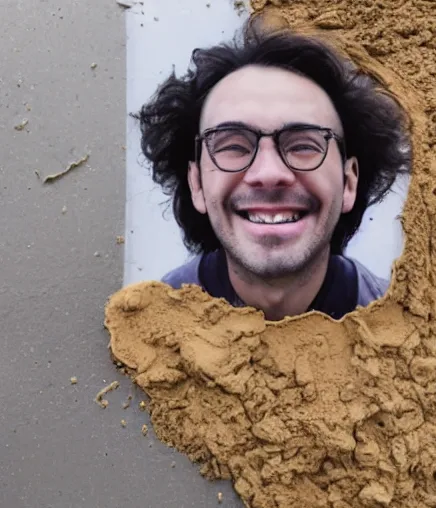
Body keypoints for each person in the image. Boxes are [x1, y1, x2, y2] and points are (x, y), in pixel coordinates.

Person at [136, 19, 411, 321]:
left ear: (348, 182)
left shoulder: (410, 336)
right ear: (197, 184)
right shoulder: (146, 332)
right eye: (233, 146)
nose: (268, 173)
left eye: (303, 145)